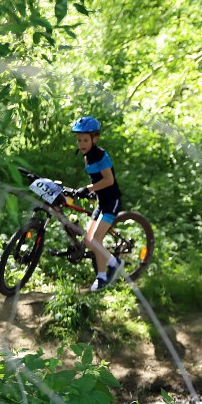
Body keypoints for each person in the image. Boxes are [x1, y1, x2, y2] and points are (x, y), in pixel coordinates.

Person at [71, 116, 124, 291]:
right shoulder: (87, 156)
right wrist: (91, 192)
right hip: (101, 202)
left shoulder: (100, 155)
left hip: (112, 201)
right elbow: (97, 180)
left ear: (95, 138)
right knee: (89, 241)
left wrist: (88, 188)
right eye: (79, 140)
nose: (81, 143)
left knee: (96, 240)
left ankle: (114, 263)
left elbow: (109, 180)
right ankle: (101, 277)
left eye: (85, 140)